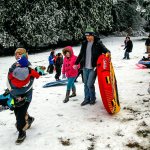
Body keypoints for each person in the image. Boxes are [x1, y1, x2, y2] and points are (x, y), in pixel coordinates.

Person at [7, 48, 40, 144]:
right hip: (14, 94)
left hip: (25, 96)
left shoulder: (29, 67)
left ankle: (21, 132)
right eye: (16, 54)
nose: (17, 55)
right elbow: (8, 78)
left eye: (20, 53)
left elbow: (29, 84)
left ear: (25, 55)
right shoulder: (14, 65)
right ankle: (29, 119)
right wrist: (11, 91)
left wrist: (20, 94)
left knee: (19, 116)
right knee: (16, 111)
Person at [73, 26, 110, 106]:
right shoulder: (84, 43)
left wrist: (107, 54)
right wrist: (76, 63)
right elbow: (81, 54)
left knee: (90, 84)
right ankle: (86, 99)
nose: (87, 37)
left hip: (93, 67)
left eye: (89, 36)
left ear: (93, 35)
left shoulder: (98, 43)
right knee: (85, 84)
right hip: (85, 67)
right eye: (86, 36)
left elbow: (106, 51)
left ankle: (92, 98)